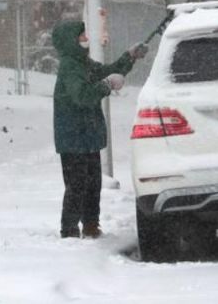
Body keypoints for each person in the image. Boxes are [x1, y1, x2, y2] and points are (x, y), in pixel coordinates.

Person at [51, 20, 148, 239]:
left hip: (87, 136)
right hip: (73, 138)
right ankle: (69, 230)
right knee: (77, 185)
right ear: (70, 41)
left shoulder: (83, 63)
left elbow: (108, 71)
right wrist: (106, 85)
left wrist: (129, 56)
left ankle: (91, 225)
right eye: (81, 36)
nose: (86, 39)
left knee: (93, 183)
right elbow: (81, 96)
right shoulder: (70, 66)